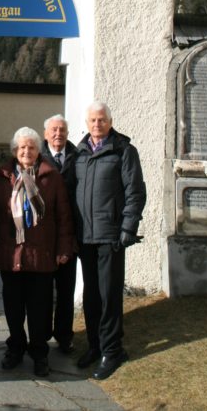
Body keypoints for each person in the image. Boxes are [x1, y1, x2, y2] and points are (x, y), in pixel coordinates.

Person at [0, 127, 75, 377]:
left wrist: (63, 248)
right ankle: (15, 348)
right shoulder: (3, 176)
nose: (27, 151)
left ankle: (39, 353)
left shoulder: (51, 177)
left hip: (42, 255)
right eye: (22, 147)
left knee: (40, 310)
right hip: (12, 254)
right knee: (13, 308)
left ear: (39, 150)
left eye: (32, 147)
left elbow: (64, 216)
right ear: (15, 150)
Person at [74, 101, 146, 380]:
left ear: (110, 121)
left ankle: (113, 351)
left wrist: (128, 228)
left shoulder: (124, 151)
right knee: (91, 296)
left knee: (109, 297)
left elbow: (135, 192)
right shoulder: (79, 153)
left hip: (110, 237)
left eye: (102, 120)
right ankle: (95, 346)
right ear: (87, 122)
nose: (97, 124)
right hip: (85, 238)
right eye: (92, 120)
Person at [41, 114, 78, 354]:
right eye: (53, 130)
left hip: (70, 233)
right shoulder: (36, 158)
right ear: (45, 134)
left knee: (66, 291)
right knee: (43, 291)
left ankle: (65, 336)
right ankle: (42, 336)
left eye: (62, 130)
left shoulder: (78, 156)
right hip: (43, 237)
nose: (58, 134)